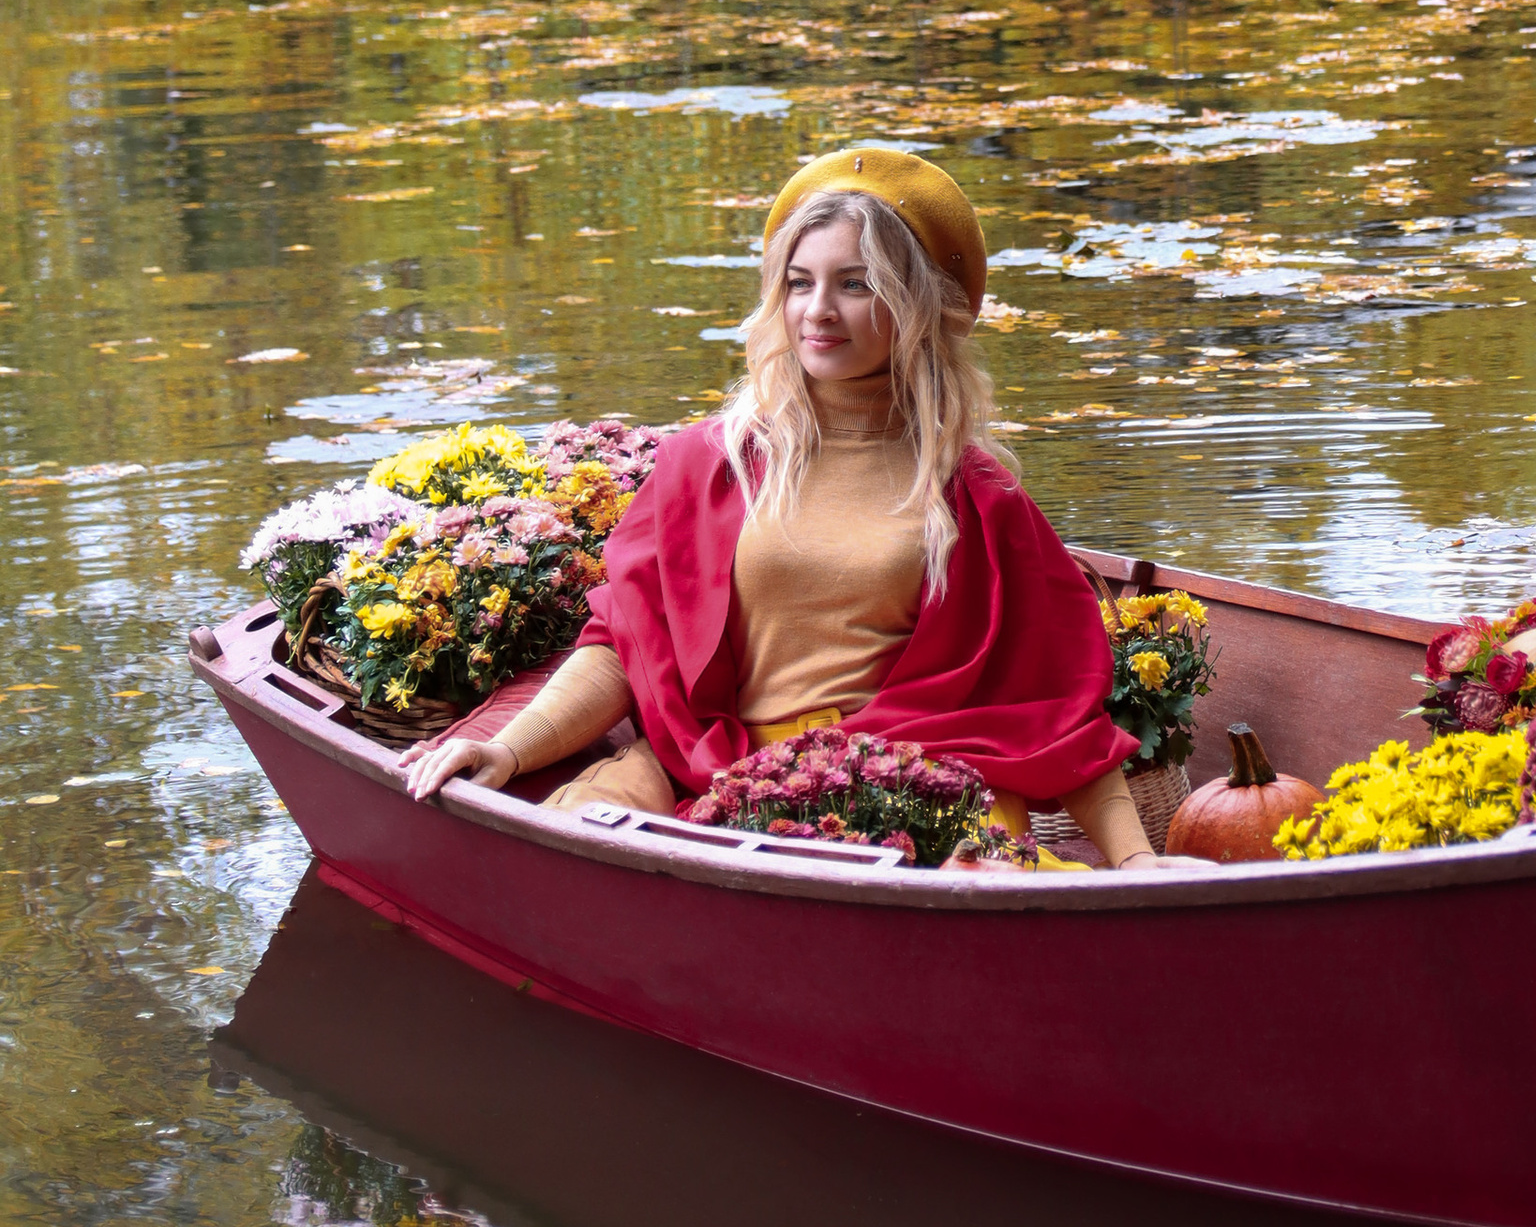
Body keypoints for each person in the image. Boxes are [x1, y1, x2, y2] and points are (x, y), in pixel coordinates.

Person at [403, 140, 1156, 862]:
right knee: (584, 839)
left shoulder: (974, 492)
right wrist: (507, 748)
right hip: (724, 775)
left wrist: (1133, 863)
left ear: (916, 304)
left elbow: (1052, 709)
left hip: (910, 782)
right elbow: (623, 647)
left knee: (974, 871)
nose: (818, 310)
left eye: (855, 284)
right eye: (800, 282)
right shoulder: (711, 462)